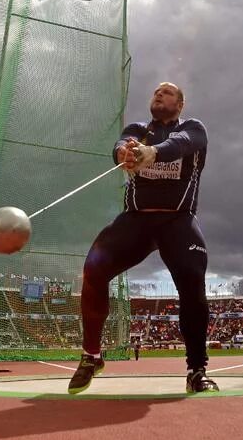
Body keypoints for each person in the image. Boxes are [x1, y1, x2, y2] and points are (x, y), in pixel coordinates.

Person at [68, 82, 219, 395]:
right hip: (136, 220)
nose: (159, 93)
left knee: (193, 278)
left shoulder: (193, 128)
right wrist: (123, 151)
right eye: (156, 92)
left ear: (180, 103)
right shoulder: (137, 129)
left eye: (167, 91)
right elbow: (122, 144)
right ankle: (91, 356)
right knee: (93, 268)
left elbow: (182, 142)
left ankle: (196, 369)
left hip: (177, 220)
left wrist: (153, 153)